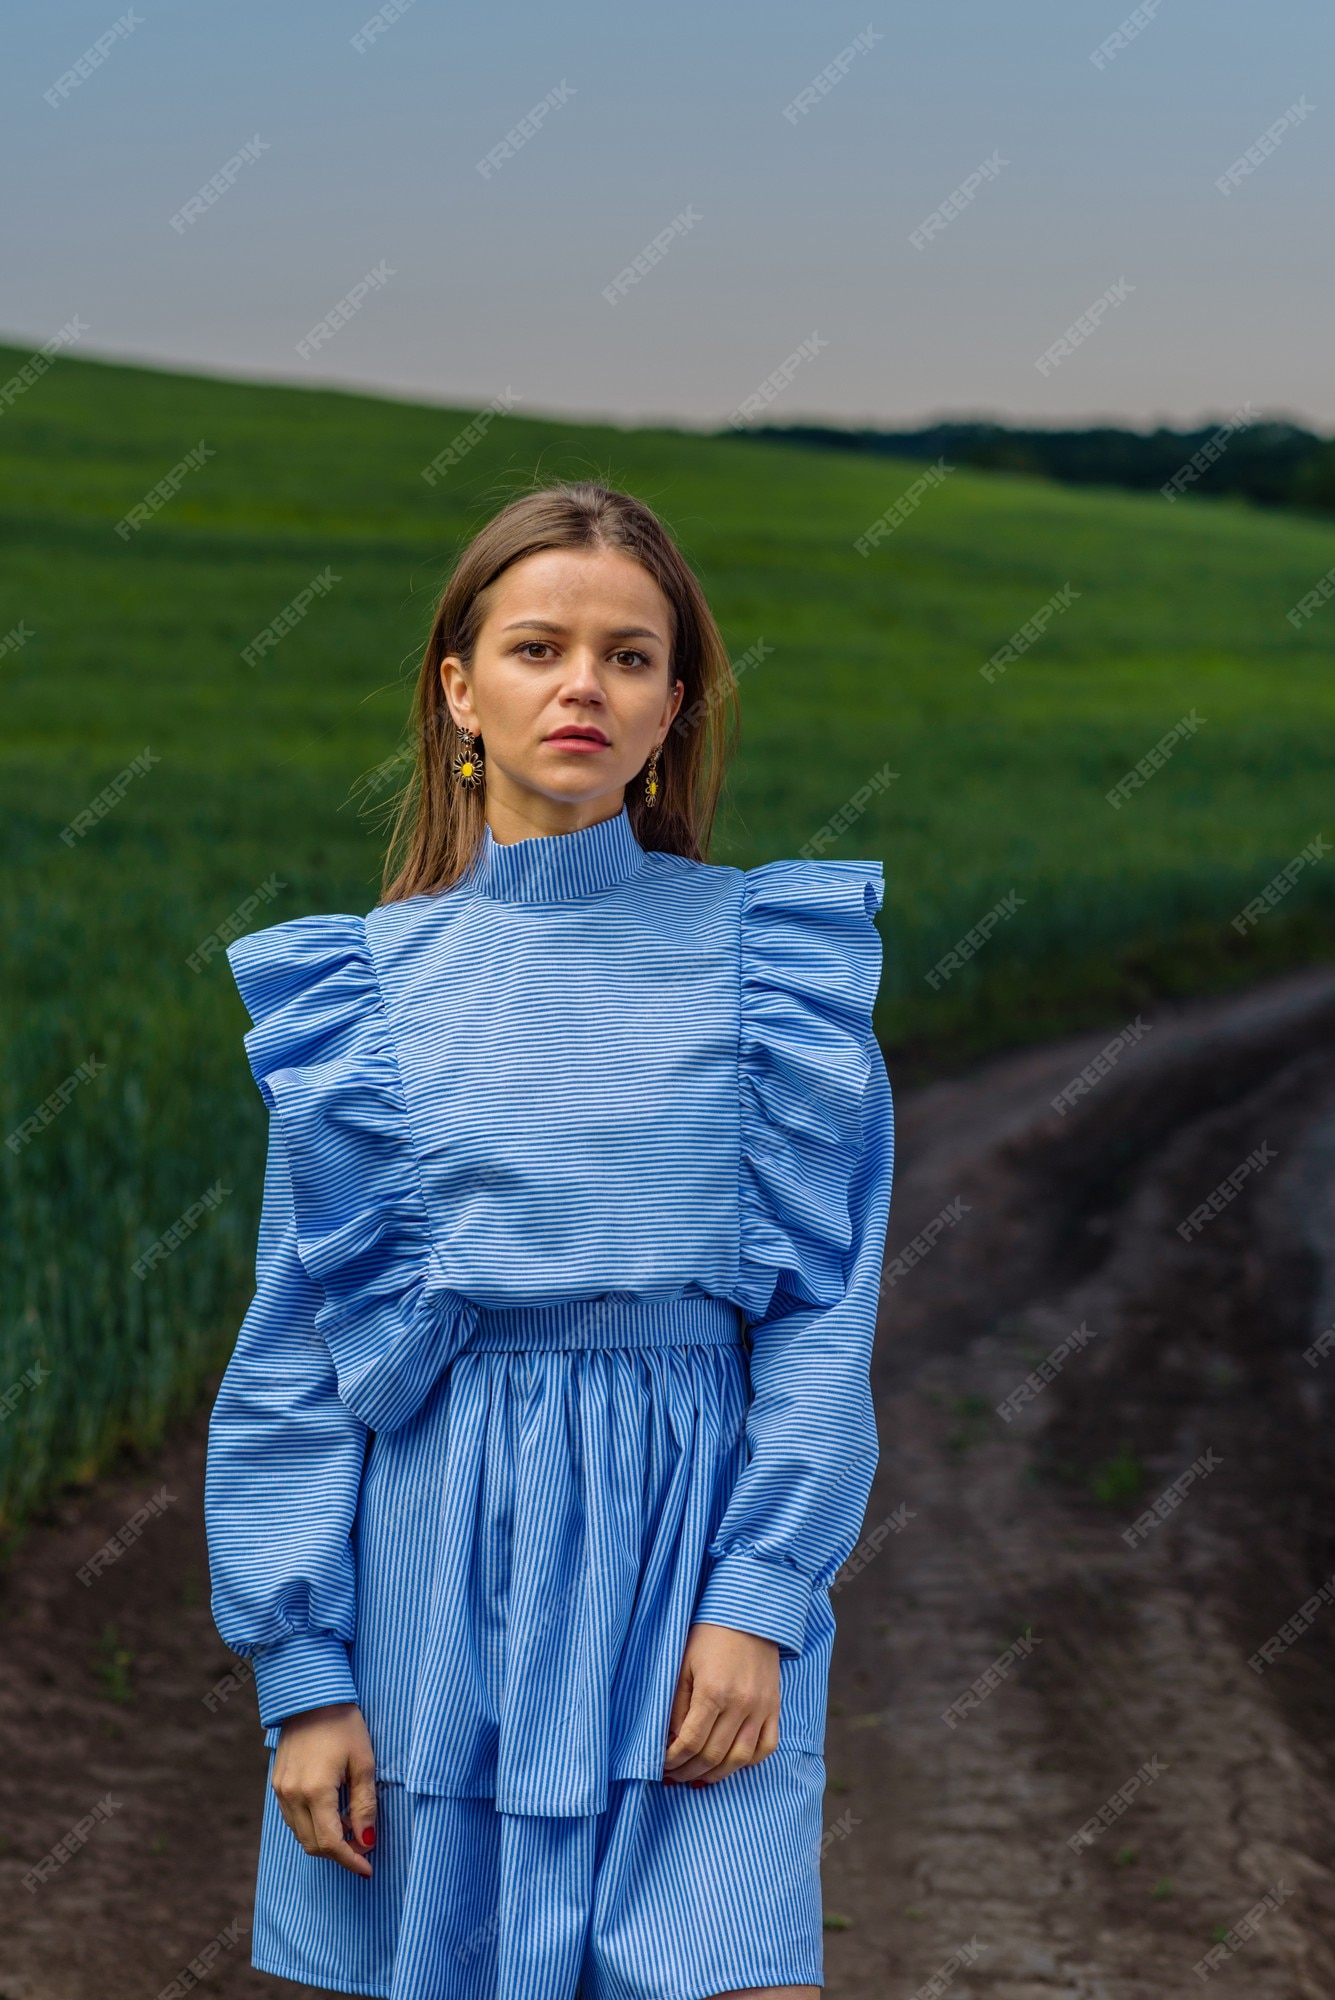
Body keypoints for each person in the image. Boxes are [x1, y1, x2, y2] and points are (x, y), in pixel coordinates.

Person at [204, 479, 895, 2000]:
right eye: (538, 647)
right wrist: (304, 1677)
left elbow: (821, 1317)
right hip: (437, 1576)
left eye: (632, 656)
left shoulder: (772, 968)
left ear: (674, 707)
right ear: (460, 690)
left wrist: (759, 1598)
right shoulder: (359, 1000)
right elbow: (300, 1360)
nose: (584, 685)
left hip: (691, 1569)